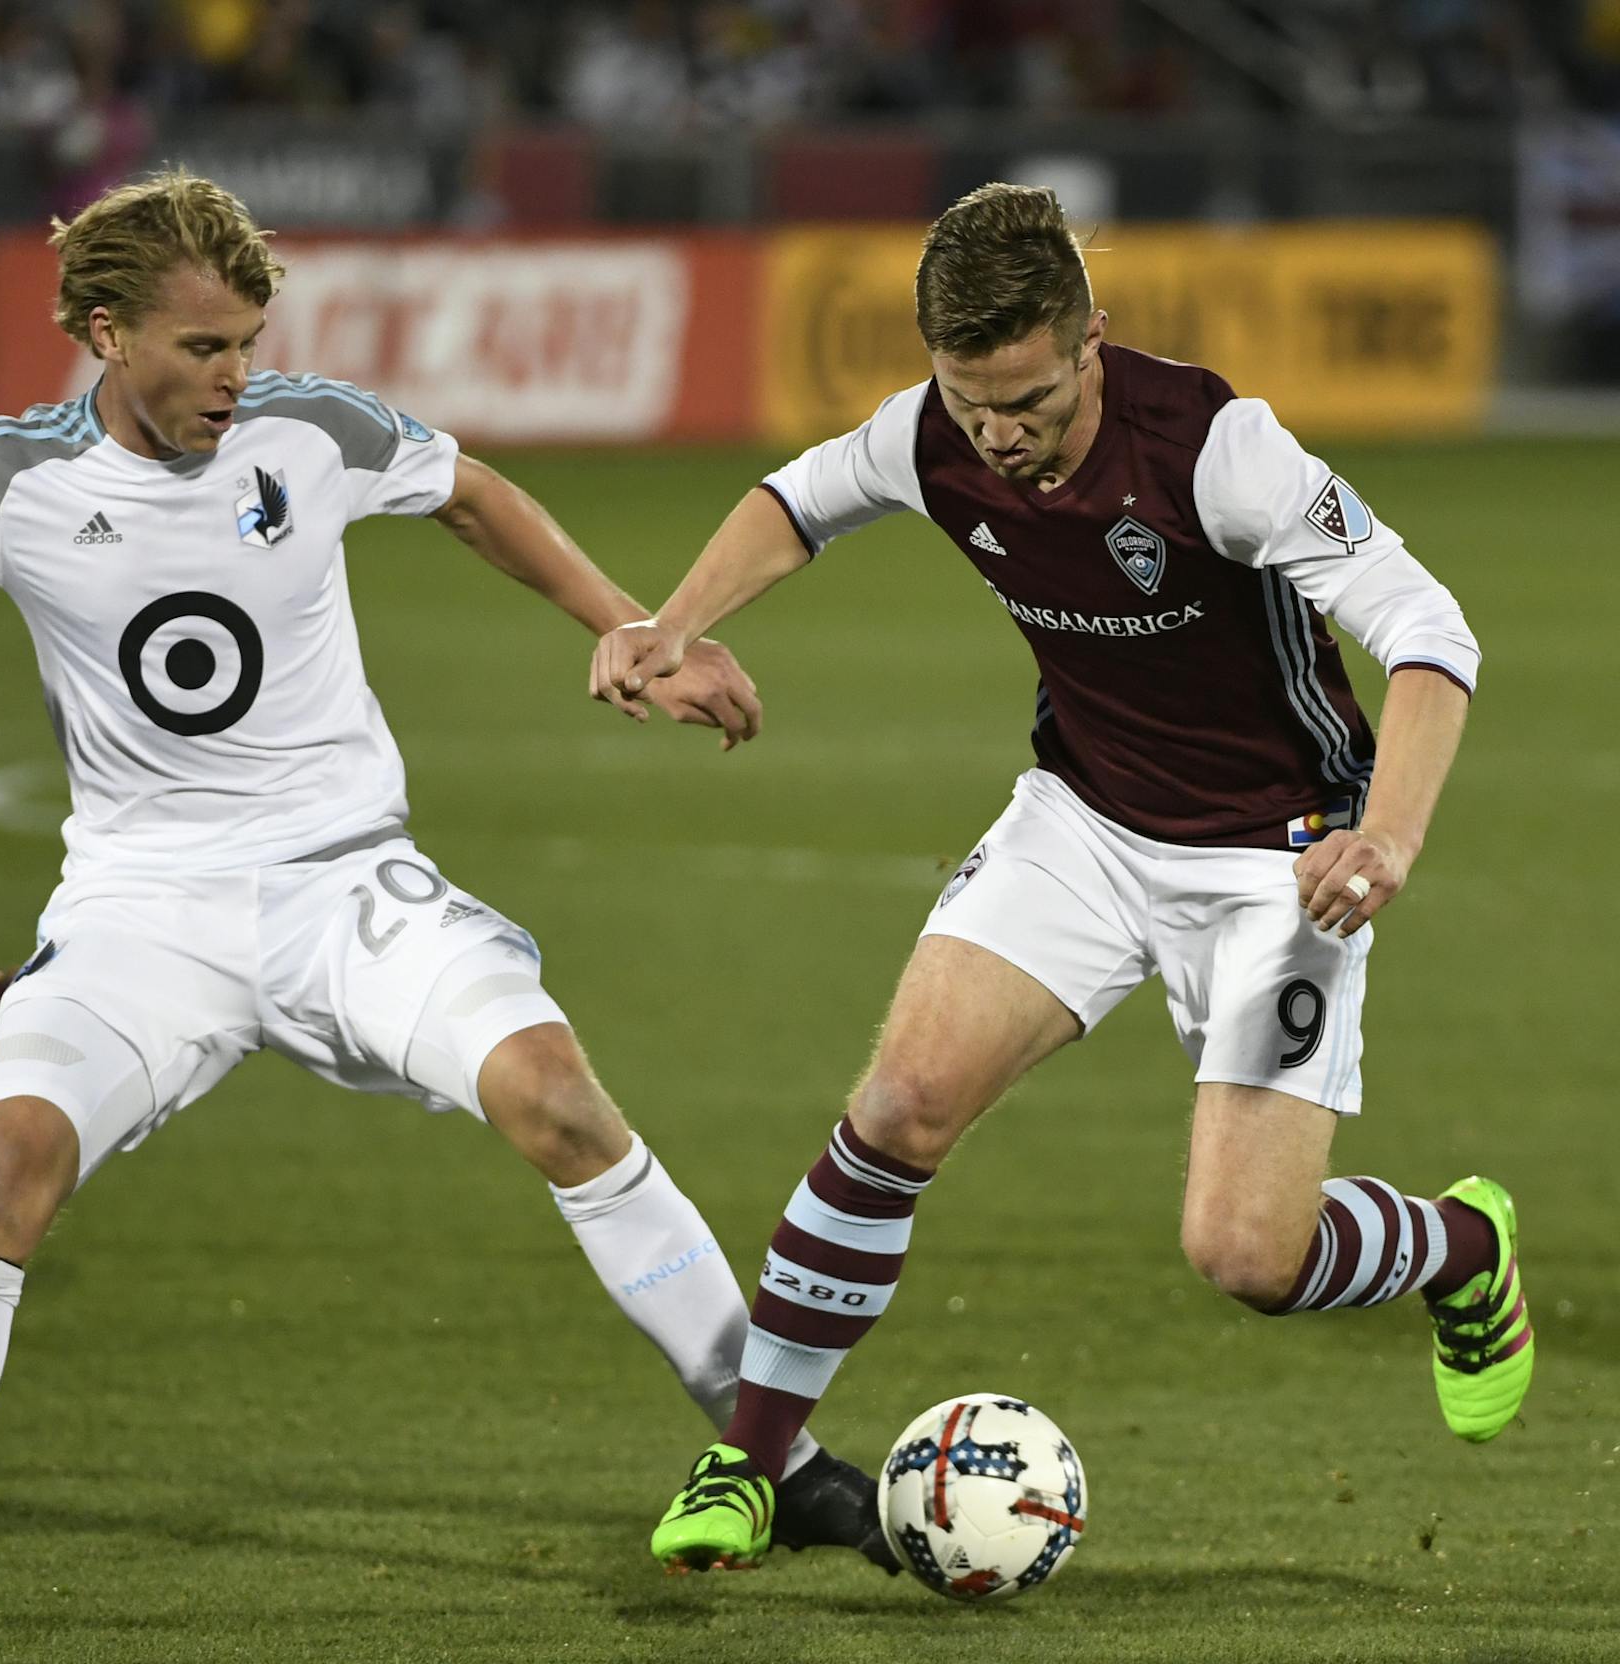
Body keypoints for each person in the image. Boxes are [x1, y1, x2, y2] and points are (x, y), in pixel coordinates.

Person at [0, 167, 894, 1621]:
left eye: (247, 339)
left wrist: (637, 626)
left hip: (344, 882)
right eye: (201, 346)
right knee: (4, 1173)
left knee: (554, 1095)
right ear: (105, 333)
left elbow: (474, 495)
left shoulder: (313, 429)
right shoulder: (8, 480)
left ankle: (772, 1455)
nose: (237, 375)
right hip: (137, 913)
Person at [590, 183, 1529, 1578]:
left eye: (1027, 398)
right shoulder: (929, 432)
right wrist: (670, 626)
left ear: (1092, 336)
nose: (1000, 435)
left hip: (1281, 859)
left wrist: (1382, 834)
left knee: (1249, 1254)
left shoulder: (1220, 451)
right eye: (973, 404)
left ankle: (1459, 1246)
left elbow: (1428, 629)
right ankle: (758, 1456)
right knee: (900, 1100)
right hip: (1085, 822)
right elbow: (797, 502)